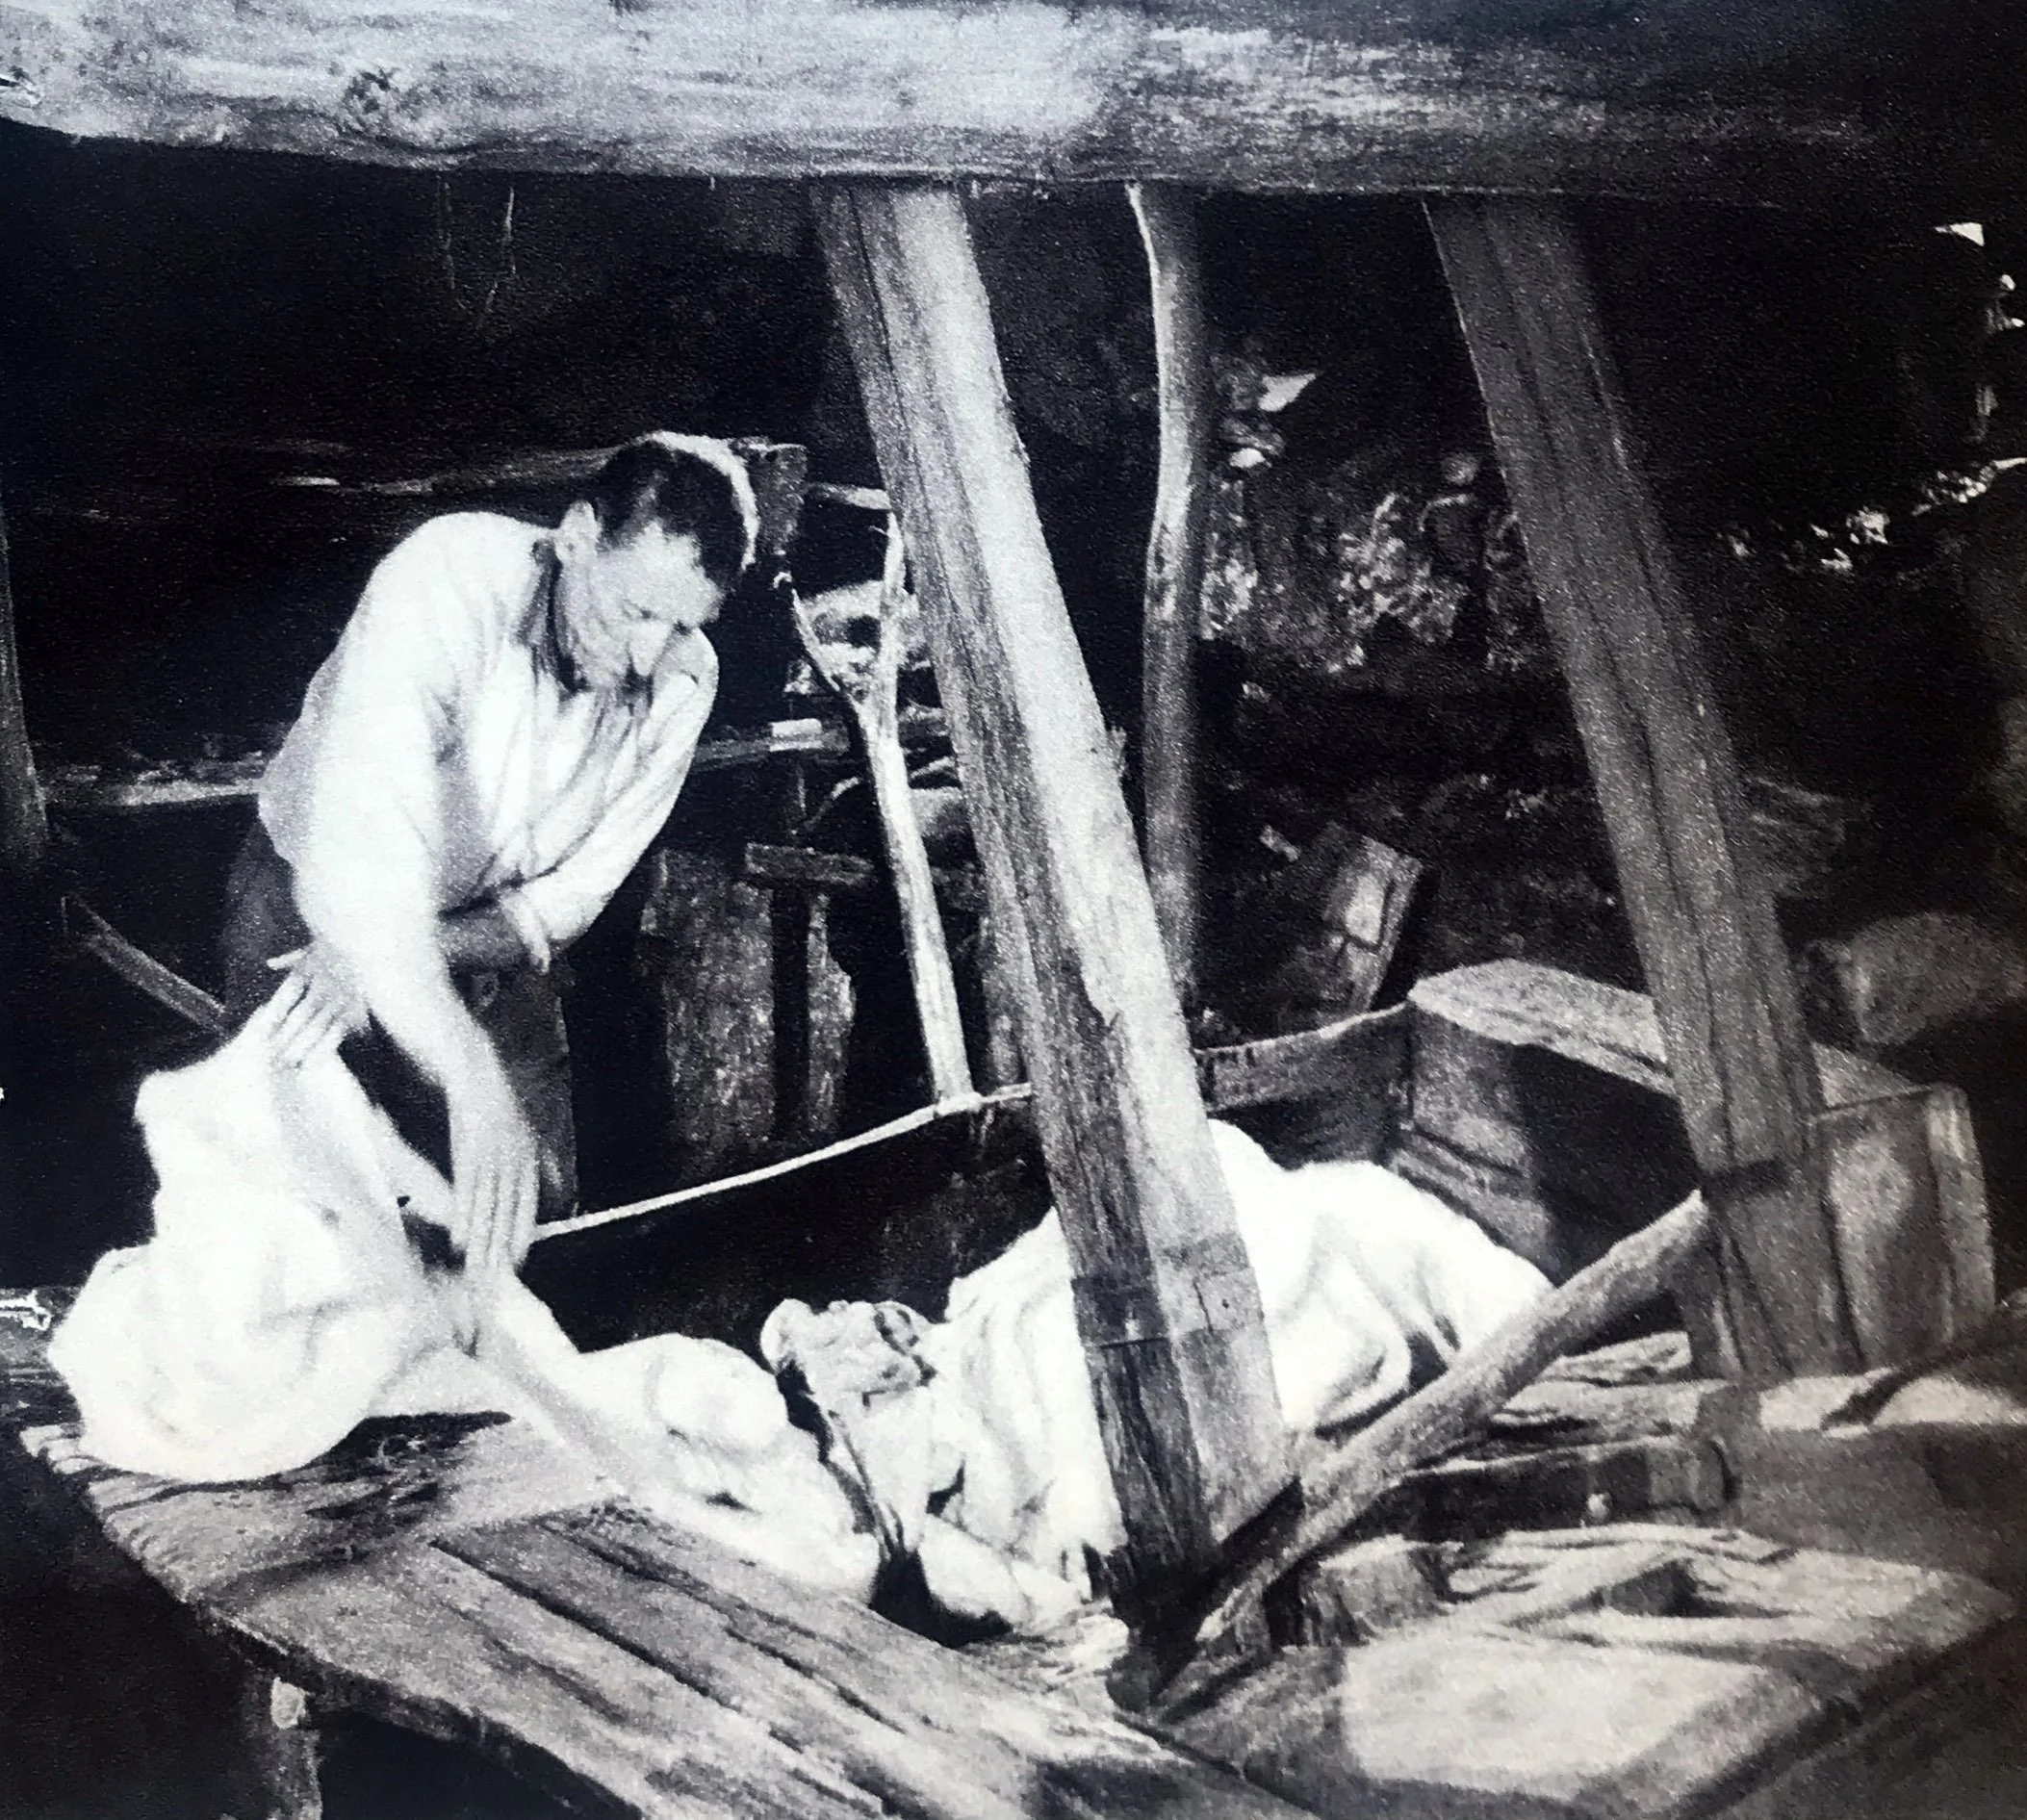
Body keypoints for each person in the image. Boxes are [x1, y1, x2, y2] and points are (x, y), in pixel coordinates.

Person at [218, 431, 758, 1295]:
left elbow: (567, 900)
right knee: (304, 1227)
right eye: (633, 611)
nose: (647, 655)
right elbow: (368, 843)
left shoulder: (684, 680)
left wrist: (416, 968)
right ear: (576, 536)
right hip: (310, 905)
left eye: (683, 624)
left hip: (481, 941)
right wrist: (471, 1080)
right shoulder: (446, 582)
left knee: (532, 1219)